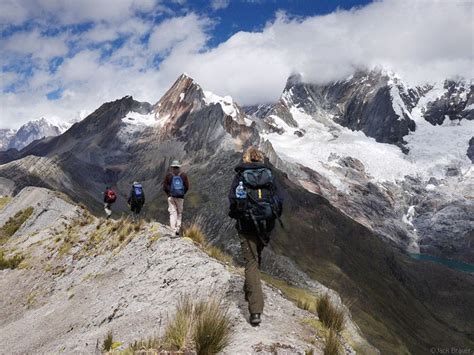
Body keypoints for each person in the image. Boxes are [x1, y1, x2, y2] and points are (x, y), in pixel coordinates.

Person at [228, 147, 283, 326]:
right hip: (265, 225)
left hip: (246, 225)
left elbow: (232, 199)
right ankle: (250, 290)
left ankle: (255, 310)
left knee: (251, 263)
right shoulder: (268, 175)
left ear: (246, 158)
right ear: (260, 158)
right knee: (256, 259)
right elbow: (279, 201)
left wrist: (236, 214)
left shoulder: (241, 175)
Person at [162, 160, 189, 236]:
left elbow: (164, 187)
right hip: (180, 198)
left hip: (171, 197)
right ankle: (177, 228)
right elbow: (187, 187)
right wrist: (182, 194)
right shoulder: (183, 175)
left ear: (172, 167)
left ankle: (173, 229)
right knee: (179, 213)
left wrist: (169, 194)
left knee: (172, 212)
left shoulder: (169, 175)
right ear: (179, 167)